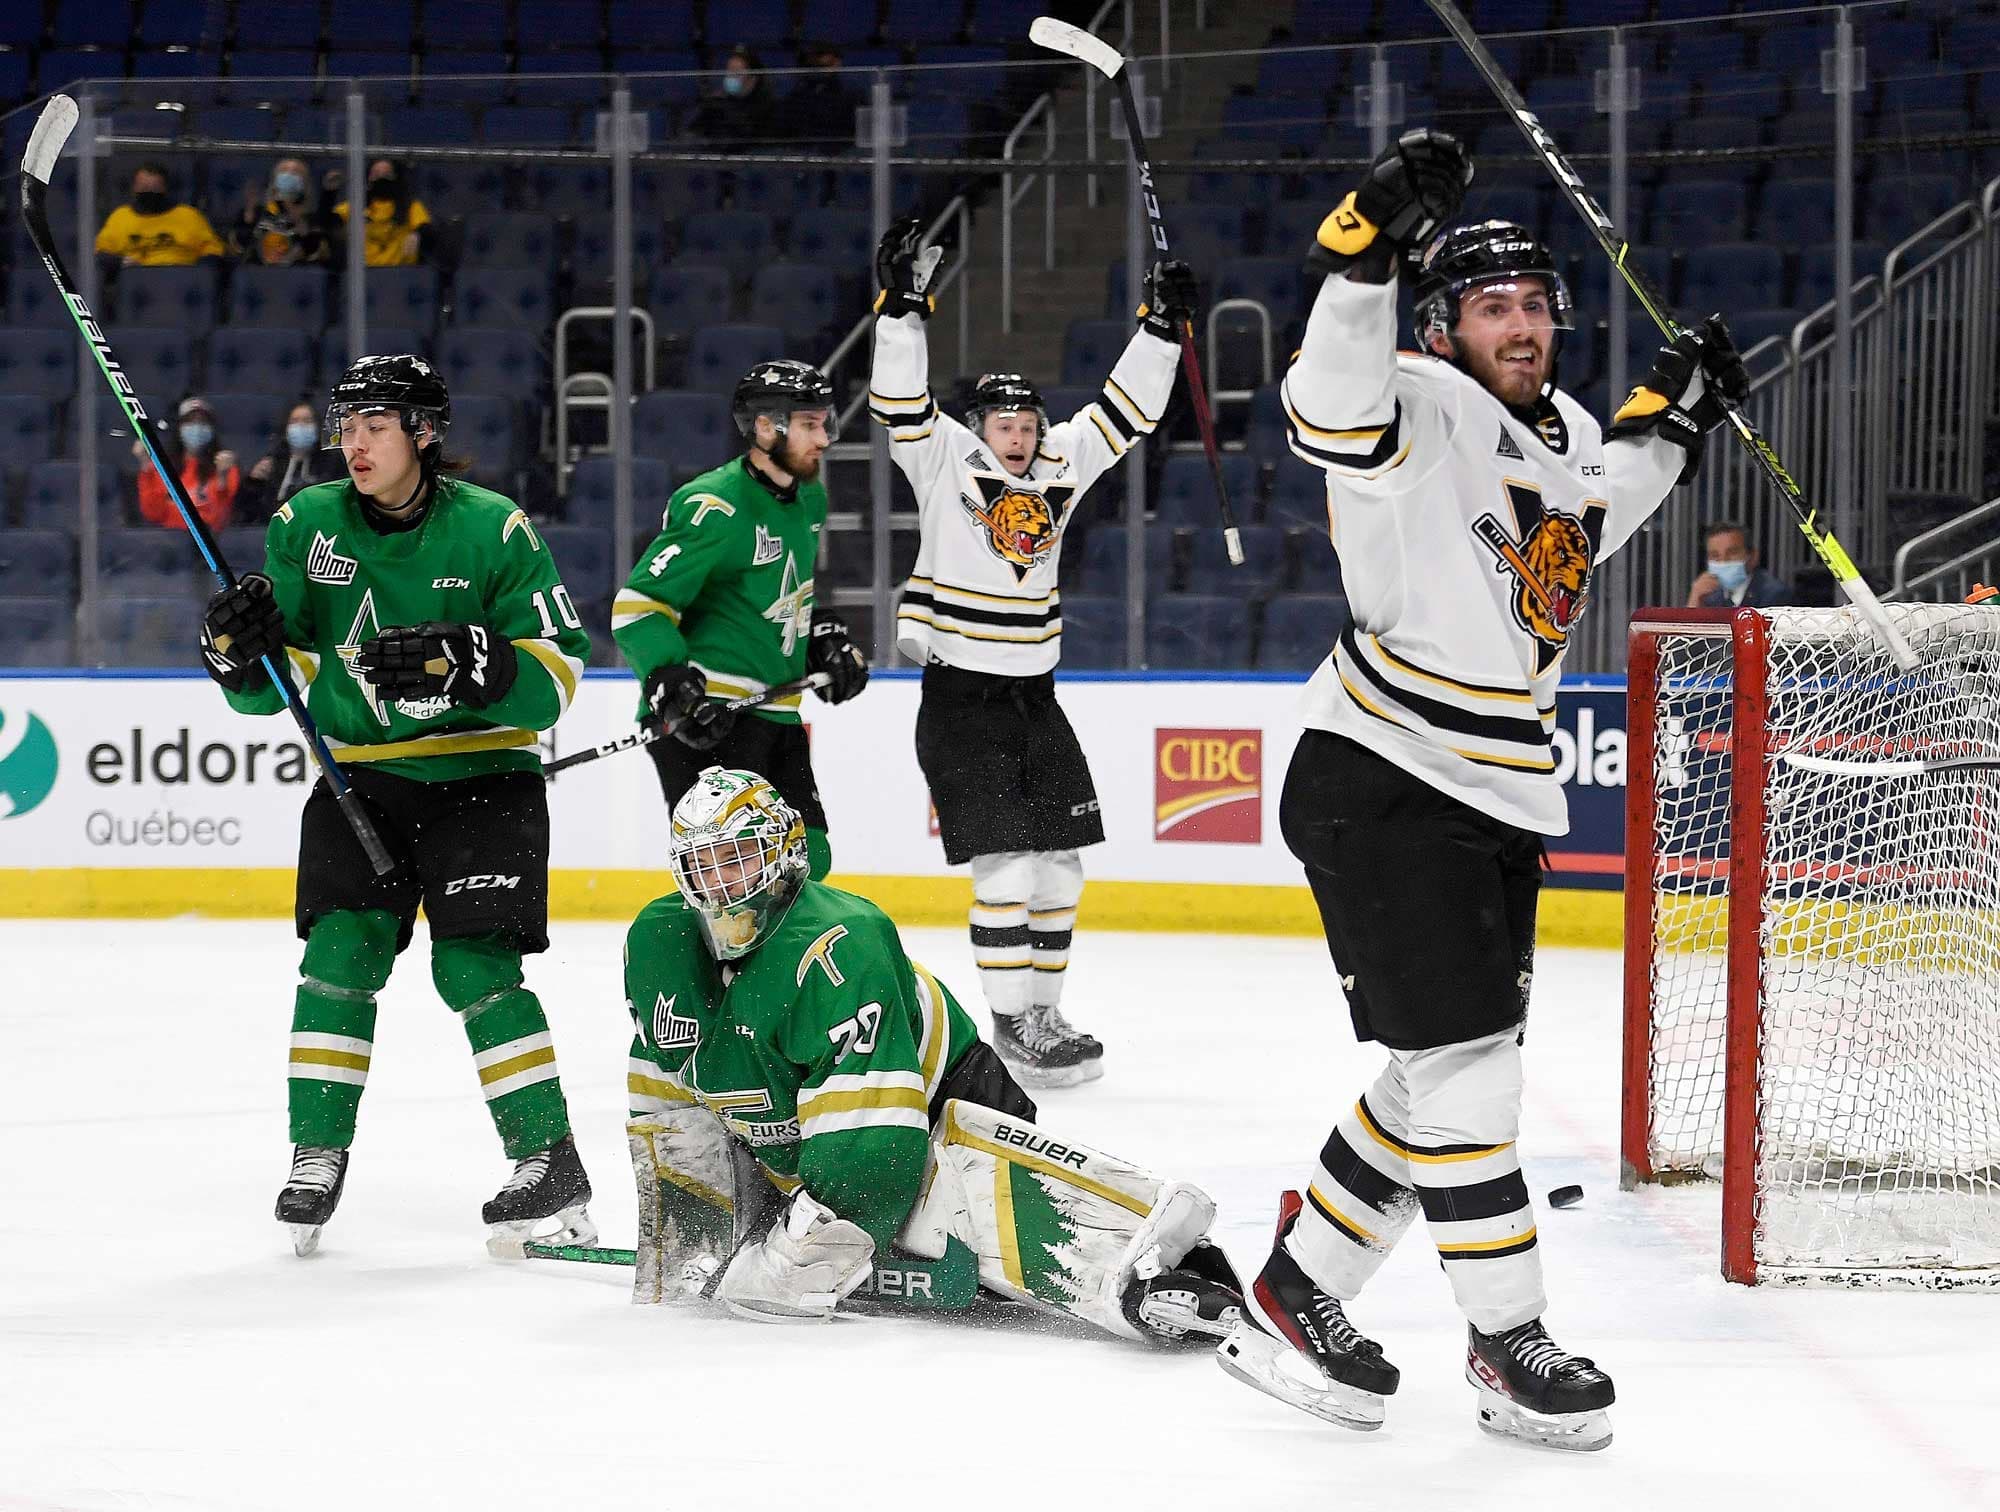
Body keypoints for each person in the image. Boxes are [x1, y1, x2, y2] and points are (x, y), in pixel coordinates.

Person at [1212, 131, 1747, 1450]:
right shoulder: (1408, 404)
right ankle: (1508, 1341)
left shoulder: (1554, 429)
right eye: (1488, 305)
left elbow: (1598, 500)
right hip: (1386, 774)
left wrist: (1669, 415)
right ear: (1443, 324)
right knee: (1468, 1079)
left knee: (1443, 1074)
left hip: (1496, 794)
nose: (1517, 324)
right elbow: (1319, 403)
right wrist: (1362, 249)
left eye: (1533, 305)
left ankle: (1300, 1286)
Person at [196, 354, 596, 1257]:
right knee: (342, 953)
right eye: (347, 425)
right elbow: (283, 684)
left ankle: (549, 1157)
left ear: (424, 433)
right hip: (362, 777)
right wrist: (238, 657)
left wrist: (480, 663)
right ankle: (316, 1153)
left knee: (474, 967)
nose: (355, 443)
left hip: (482, 776)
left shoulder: (495, 530)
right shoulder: (306, 522)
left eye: (376, 424)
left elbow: (561, 672)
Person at [619, 764, 1246, 1338]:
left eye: (735, 860)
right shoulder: (658, 943)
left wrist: (791, 1254)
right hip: (809, 1143)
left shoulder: (839, 946)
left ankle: (1155, 1268)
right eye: (701, 865)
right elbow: (670, 1085)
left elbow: (872, 1157)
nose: (717, 885)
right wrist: (696, 1229)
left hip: (943, 1099)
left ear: (781, 857)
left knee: (975, 1233)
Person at [868, 218, 1193, 1089]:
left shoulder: (1058, 465)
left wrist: (1160, 330)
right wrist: (901, 309)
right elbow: (899, 402)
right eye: (1003, 422)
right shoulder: (942, 459)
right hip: (961, 699)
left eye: (1027, 421)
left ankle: (1045, 1013)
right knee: (1007, 868)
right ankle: (1011, 1023)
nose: (1017, 435)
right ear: (978, 426)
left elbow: (1126, 412)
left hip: (1034, 699)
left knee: (1062, 869)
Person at [611, 359, 869, 881]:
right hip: (707, 719)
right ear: (767, 427)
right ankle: (709, 963)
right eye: (810, 425)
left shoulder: (809, 497)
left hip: (775, 711)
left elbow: (778, 592)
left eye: (826, 423)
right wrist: (674, 688)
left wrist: (820, 634)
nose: (825, 439)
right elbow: (637, 609)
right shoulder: (714, 505)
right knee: (735, 875)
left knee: (807, 861)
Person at [94, 161, 224, 276]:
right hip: (137, 283)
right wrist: (121, 262)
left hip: (181, 281)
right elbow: (101, 254)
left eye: (155, 188)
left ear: (165, 189)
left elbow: (213, 252)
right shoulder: (120, 216)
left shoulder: (188, 215)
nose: (149, 193)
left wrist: (195, 272)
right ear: (134, 188)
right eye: (144, 188)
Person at [136, 396, 240, 530]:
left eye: (203, 423)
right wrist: (145, 465)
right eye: (190, 422)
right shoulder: (162, 466)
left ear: (212, 430)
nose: (196, 428)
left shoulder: (226, 467)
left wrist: (221, 480)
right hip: (169, 541)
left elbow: (219, 520)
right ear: (179, 428)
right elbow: (153, 514)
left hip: (208, 541)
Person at [236, 399, 345, 516]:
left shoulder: (332, 462)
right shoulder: (274, 460)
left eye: (307, 421)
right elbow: (248, 509)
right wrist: (254, 482)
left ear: (318, 427)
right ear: (286, 428)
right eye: (295, 421)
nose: (301, 426)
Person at [228, 156, 331, 266]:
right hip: (257, 276)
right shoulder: (256, 212)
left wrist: (299, 221)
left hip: (296, 278)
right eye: (284, 171)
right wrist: (249, 215)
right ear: (275, 179)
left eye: (295, 172)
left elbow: (315, 253)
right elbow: (239, 247)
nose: (289, 175)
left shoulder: (312, 218)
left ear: (304, 182)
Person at [331, 158, 432, 268]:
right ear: (368, 179)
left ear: (395, 178)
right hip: (363, 273)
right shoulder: (356, 206)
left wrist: (417, 234)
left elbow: (425, 227)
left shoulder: (410, 206)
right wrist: (329, 192)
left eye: (387, 174)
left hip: (401, 273)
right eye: (376, 174)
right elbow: (329, 221)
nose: (381, 178)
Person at [687, 46, 778, 146]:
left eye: (736, 71)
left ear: (753, 78)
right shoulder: (716, 105)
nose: (730, 76)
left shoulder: (768, 107)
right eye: (729, 70)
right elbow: (692, 134)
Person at [1686, 519, 1790, 607]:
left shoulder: (1775, 595)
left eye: (1732, 553)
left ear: (1753, 556)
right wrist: (1695, 599)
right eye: (1715, 555)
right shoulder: (1709, 595)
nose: (1723, 561)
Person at [786, 41, 859, 154]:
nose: (820, 64)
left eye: (828, 63)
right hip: (803, 152)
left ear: (837, 62)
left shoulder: (852, 94)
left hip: (840, 152)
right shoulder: (798, 92)